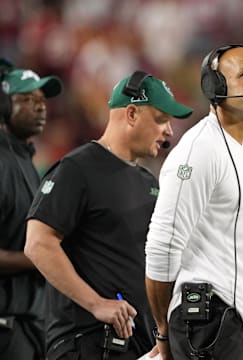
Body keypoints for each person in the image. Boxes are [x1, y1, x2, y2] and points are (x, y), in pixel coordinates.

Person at [24, 71, 193, 360]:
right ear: (131, 114)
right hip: (87, 342)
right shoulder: (77, 169)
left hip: (138, 345)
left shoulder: (148, 183)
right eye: (162, 119)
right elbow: (38, 243)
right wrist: (96, 303)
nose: (169, 132)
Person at [145, 44, 243, 360]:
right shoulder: (200, 149)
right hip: (210, 322)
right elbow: (162, 246)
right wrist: (162, 331)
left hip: (239, 324)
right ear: (215, 86)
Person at [0, 59, 63, 360]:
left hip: (28, 325)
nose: (39, 107)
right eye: (25, 99)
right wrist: (41, 257)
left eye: (41, 100)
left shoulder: (25, 160)